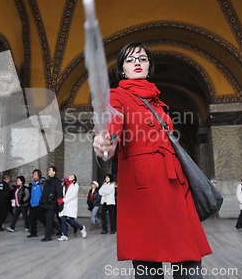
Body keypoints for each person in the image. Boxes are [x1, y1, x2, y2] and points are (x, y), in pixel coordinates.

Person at [92, 42, 212, 278]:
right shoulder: (116, 96)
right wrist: (105, 140)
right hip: (144, 188)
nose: (137, 62)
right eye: (130, 59)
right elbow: (111, 122)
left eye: (143, 58)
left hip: (175, 184)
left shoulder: (157, 101)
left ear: (149, 66)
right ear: (122, 70)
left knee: (188, 258)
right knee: (148, 262)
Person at [57, 174, 87, 241]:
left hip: (70, 205)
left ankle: (82, 228)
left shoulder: (75, 185)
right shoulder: (65, 184)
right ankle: (64, 235)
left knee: (72, 221)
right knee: (63, 219)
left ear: (74, 178)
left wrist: (63, 200)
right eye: (69, 175)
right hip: (64, 205)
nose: (70, 176)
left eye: (72, 176)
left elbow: (73, 195)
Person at [39, 166, 63, 242]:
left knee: (49, 220)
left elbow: (59, 194)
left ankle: (48, 236)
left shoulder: (57, 182)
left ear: (54, 172)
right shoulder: (47, 181)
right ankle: (62, 229)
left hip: (53, 204)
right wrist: (41, 200)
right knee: (46, 219)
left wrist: (60, 205)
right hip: (46, 204)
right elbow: (44, 192)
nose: (48, 171)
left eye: (50, 170)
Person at [27, 169, 45, 238]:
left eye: (35, 174)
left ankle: (51, 229)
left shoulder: (42, 183)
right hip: (32, 204)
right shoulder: (32, 184)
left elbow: (44, 193)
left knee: (42, 219)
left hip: (39, 204)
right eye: (33, 174)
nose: (34, 175)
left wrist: (42, 202)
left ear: (39, 175)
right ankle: (33, 233)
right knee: (32, 219)